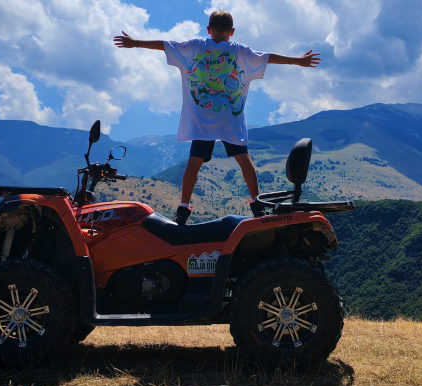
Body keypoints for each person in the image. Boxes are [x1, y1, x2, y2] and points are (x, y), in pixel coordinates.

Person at [114, 10, 320, 225]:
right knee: (243, 160)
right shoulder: (239, 51)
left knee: (194, 163)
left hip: (203, 121)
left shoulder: (195, 46)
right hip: (230, 120)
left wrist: (134, 42)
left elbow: (165, 44)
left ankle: (183, 209)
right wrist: (298, 61)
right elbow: (268, 57)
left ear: (208, 30)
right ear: (232, 31)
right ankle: (256, 204)